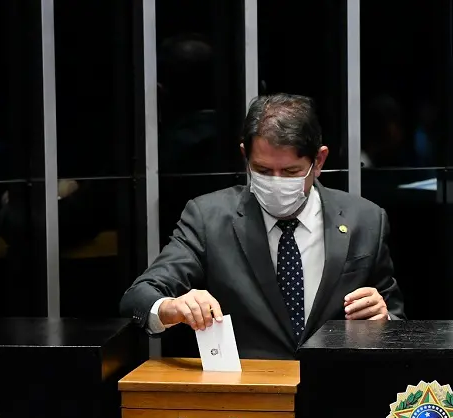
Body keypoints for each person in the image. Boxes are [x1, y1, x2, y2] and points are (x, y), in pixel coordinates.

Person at [120, 93, 405, 359]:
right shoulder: (208, 218)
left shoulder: (366, 219)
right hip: (250, 397)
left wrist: (384, 322)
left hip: (335, 393)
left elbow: (398, 322)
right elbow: (139, 297)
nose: (276, 182)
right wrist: (170, 307)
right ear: (245, 157)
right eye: (264, 171)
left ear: (318, 161)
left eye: (291, 172)